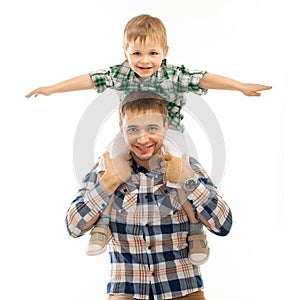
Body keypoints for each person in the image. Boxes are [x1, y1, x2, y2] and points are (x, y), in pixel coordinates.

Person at [26, 14, 270, 263]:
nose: (145, 61)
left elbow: (203, 78)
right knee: (110, 163)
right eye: (137, 53)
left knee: (178, 174)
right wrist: (51, 89)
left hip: (170, 132)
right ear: (125, 52)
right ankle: (103, 223)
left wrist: (239, 85)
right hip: (131, 132)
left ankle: (195, 228)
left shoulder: (173, 75)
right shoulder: (120, 74)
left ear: (165, 52)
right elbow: (90, 80)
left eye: (153, 53)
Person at [66, 91, 233, 300]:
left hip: (183, 289)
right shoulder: (105, 168)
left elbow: (223, 225)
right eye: (133, 129)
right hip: (127, 291)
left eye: (152, 128)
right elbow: (73, 227)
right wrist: (109, 182)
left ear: (165, 126)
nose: (143, 139)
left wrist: (188, 181)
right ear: (121, 129)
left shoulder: (186, 165)